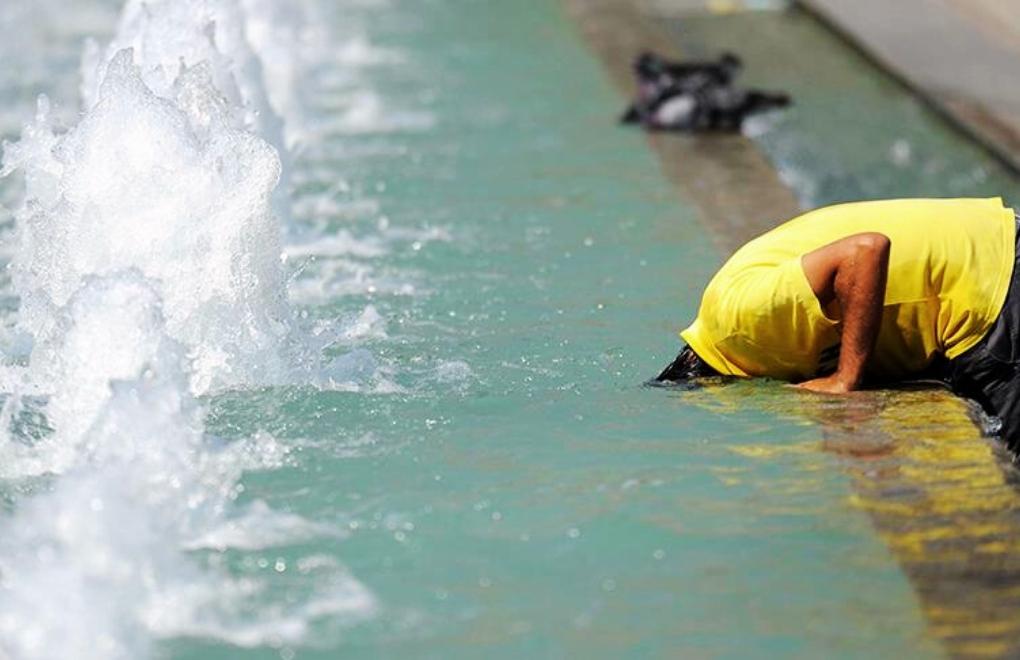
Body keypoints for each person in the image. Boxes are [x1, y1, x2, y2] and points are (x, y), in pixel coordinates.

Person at [656, 197, 1020, 451]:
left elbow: (865, 250)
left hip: (986, 281)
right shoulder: (734, 324)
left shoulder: (739, 323)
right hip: (981, 255)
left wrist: (845, 378)